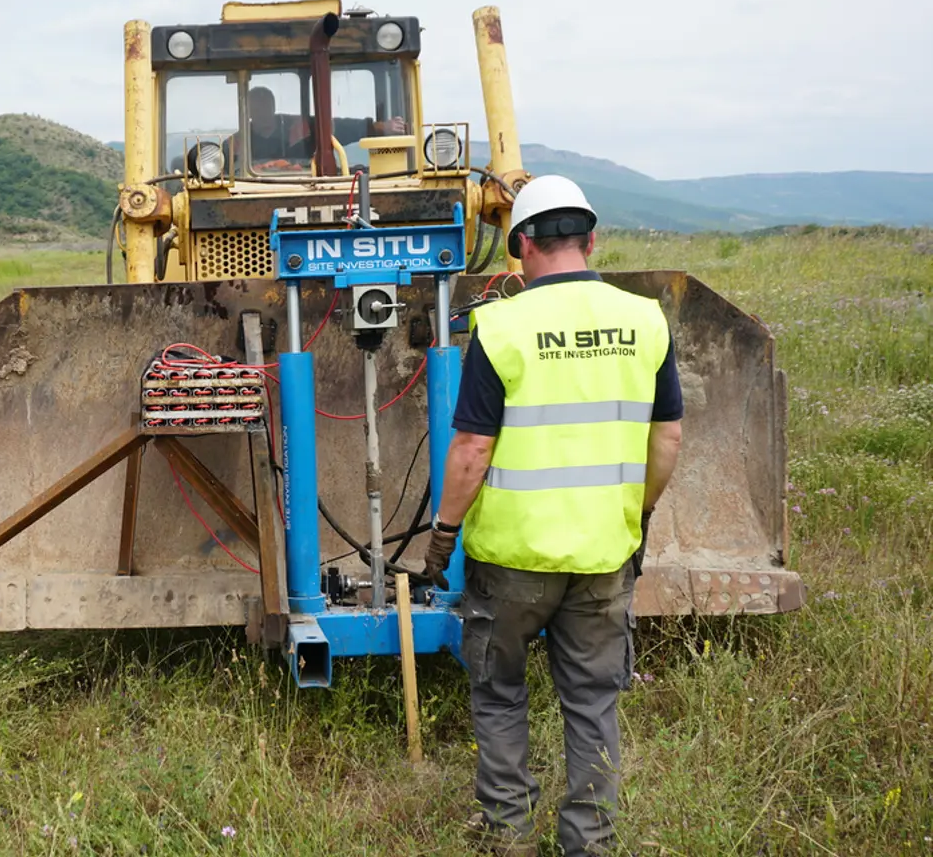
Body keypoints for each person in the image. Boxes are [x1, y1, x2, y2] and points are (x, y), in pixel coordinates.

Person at [421, 175, 684, 857]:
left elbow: (473, 448)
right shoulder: (645, 319)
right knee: (594, 703)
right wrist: (641, 511)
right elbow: (669, 438)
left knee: (501, 692)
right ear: (591, 241)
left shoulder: (502, 325)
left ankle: (508, 836)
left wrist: (443, 533)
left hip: (510, 559)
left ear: (521, 247)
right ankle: (588, 843)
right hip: (603, 556)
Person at [245, 86, 406, 168]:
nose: (262, 112)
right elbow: (223, 160)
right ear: (248, 112)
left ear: (273, 107)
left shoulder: (299, 126)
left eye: (266, 106)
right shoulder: (239, 142)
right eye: (257, 108)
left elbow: (339, 127)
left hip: (307, 184)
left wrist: (378, 127)